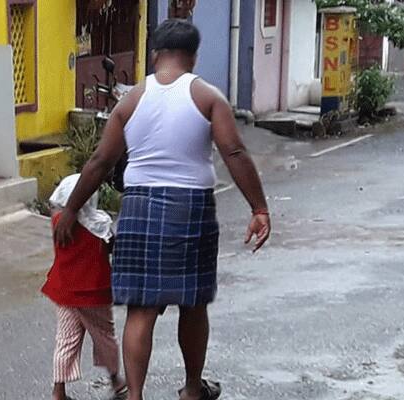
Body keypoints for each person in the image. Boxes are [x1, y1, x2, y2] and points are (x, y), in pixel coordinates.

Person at [54, 19, 271, 400]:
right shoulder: (207, 97)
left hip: (138, 205)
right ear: (194, 55)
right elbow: (234, 151)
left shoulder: (131, 100)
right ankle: (191, 389)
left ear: (155, 54)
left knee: (142, 307)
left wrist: (72, 210)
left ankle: (134, 395)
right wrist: (259, 208)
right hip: (189, 208)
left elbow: (101, 162)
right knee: (192, 301)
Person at [41, 174, 128, 400]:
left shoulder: (58, 223)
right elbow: (113, 246)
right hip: (93, 293)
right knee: (104, 336)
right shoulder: (99, 226)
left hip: (63, 289)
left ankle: (58, 391)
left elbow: (55, 207)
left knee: (66, 339)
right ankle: (116, 381)